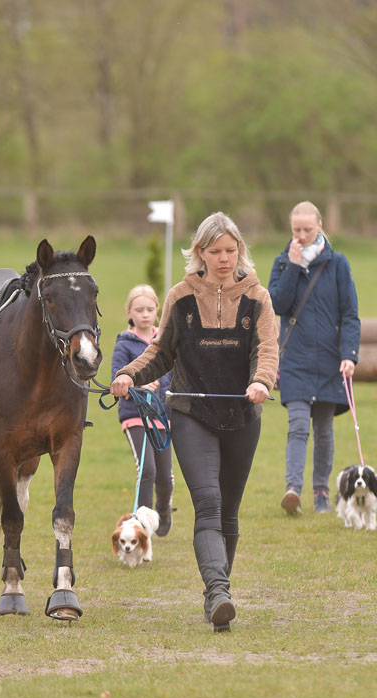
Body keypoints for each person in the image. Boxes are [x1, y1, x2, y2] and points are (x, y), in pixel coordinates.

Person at [111, 212, 278, 631]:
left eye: (231, 250)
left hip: (243, 415)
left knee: (229, 516)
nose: (224, 259)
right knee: (207, 504)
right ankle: (220, 592)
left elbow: (268, 349)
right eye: (216, 251)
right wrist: (129, 373)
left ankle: (215, 594)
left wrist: (261, 381)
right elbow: (161, 352)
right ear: (199, 252)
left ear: (239, 250)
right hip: (190, 414)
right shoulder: (180, 296)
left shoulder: (258, 296)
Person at [269, 201, 360, 517]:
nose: (302, 235)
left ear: (320, 225)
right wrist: (293, 266)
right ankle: (292, 489)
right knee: (297, 426)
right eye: (296, 230)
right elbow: (277, 304)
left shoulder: (338, 264)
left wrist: (349, 355)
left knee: (324, 431)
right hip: (295, 360)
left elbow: (350, 314)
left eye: (308, 229)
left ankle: (321, 493)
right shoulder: (282, 263)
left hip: (330, 362)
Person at [111, 285, 174, 536]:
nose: (145, 314)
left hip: (163, 415)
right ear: (129, 312)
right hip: (135, 415)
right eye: (139, 310)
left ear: (157, 311)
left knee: (165, 477)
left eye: (150, 309)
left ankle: (163, 509)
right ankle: (141, 526)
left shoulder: (165, 341)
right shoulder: (124, 344)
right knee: (147, 470)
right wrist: (137, 385)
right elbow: (117, 380)